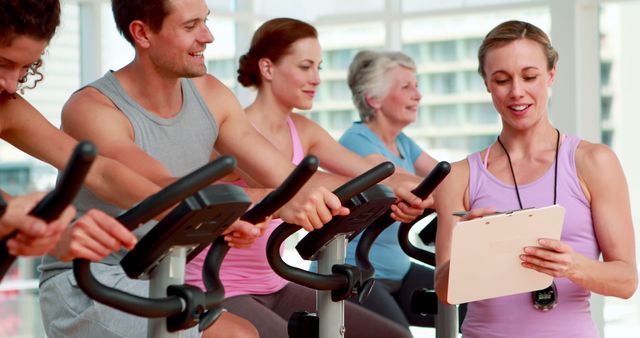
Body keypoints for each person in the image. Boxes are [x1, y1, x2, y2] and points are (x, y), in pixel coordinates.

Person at [39, 1, 412, 337]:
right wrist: (268, 201)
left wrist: (399, 188)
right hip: (91, 280)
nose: (208, 36)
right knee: (237, 335)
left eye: (206, 21)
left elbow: (284, 175)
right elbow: (156, 185)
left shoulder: (211, 94)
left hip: (164, 273)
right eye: (190, 26)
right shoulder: (93, 109)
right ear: (142, 33)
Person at [185, 18, 425, 338]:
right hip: (219, 287)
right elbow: (293, 183)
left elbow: (366, 172)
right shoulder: (234, 132)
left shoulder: (304, 130)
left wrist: (416, 190)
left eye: (319, 68)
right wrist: (391, 186)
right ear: (268, 68)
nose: (316, 79)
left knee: (392, 335)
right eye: (305, 66)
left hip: (276, 282)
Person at [434, 20, 637, 338]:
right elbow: (445, 293)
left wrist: (573, 266)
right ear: (487, 83)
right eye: (501, 80)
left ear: (551, 74)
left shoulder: (593, 162)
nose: (517, 92)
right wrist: (470, 250)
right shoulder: (459, 177)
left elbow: (626, 281)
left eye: (530, 77)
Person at [0, 0, 138, 262]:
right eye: (1, 62)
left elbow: (99, 171)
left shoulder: (5, 107)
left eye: (25, 67)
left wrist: (187, 209)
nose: (9, 85)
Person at [339, 49, 440, 330]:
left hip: (400, 271)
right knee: (398, 336)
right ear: (374, 99)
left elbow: (448, 178)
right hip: (357, 276)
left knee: (472, 304)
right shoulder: (356, 142)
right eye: (406, 86)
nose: (417, 94)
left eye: (416, 85)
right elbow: (410, 186)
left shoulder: (403, 142)